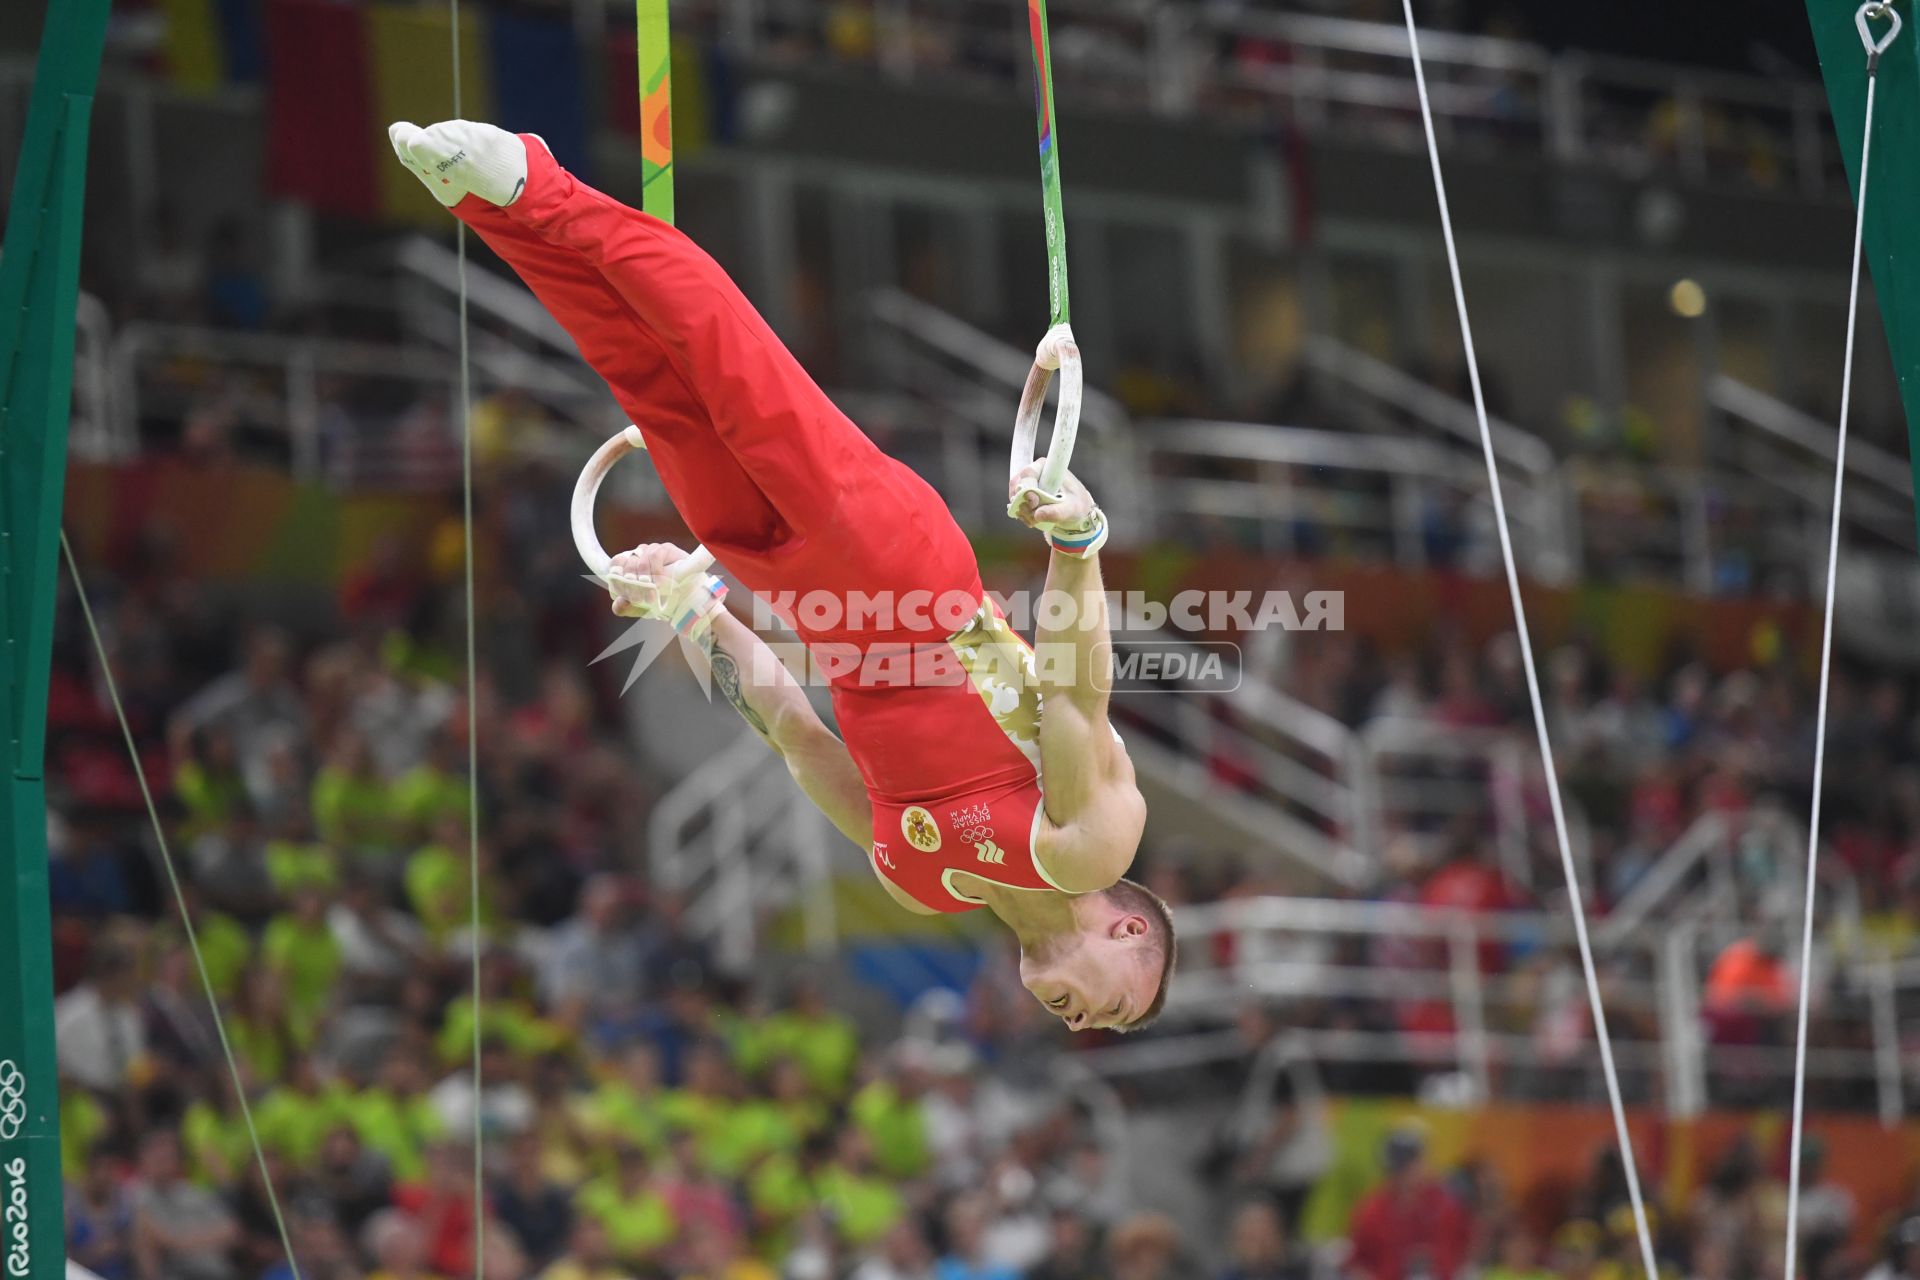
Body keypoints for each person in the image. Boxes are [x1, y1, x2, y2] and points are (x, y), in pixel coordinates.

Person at [386, 118, 1174, 1031]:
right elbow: (1079, 696)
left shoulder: (921, 886)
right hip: (907, 578)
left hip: (808, 601)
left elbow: (797, 734)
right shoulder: (1088, 847)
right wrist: (1076, 546)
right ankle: (537, 183)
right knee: (730, 367)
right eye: (1117, 1011)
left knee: (653, 385)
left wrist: (696, 611)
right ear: (1124, 932)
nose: (1084, 1026)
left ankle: (492, 209)